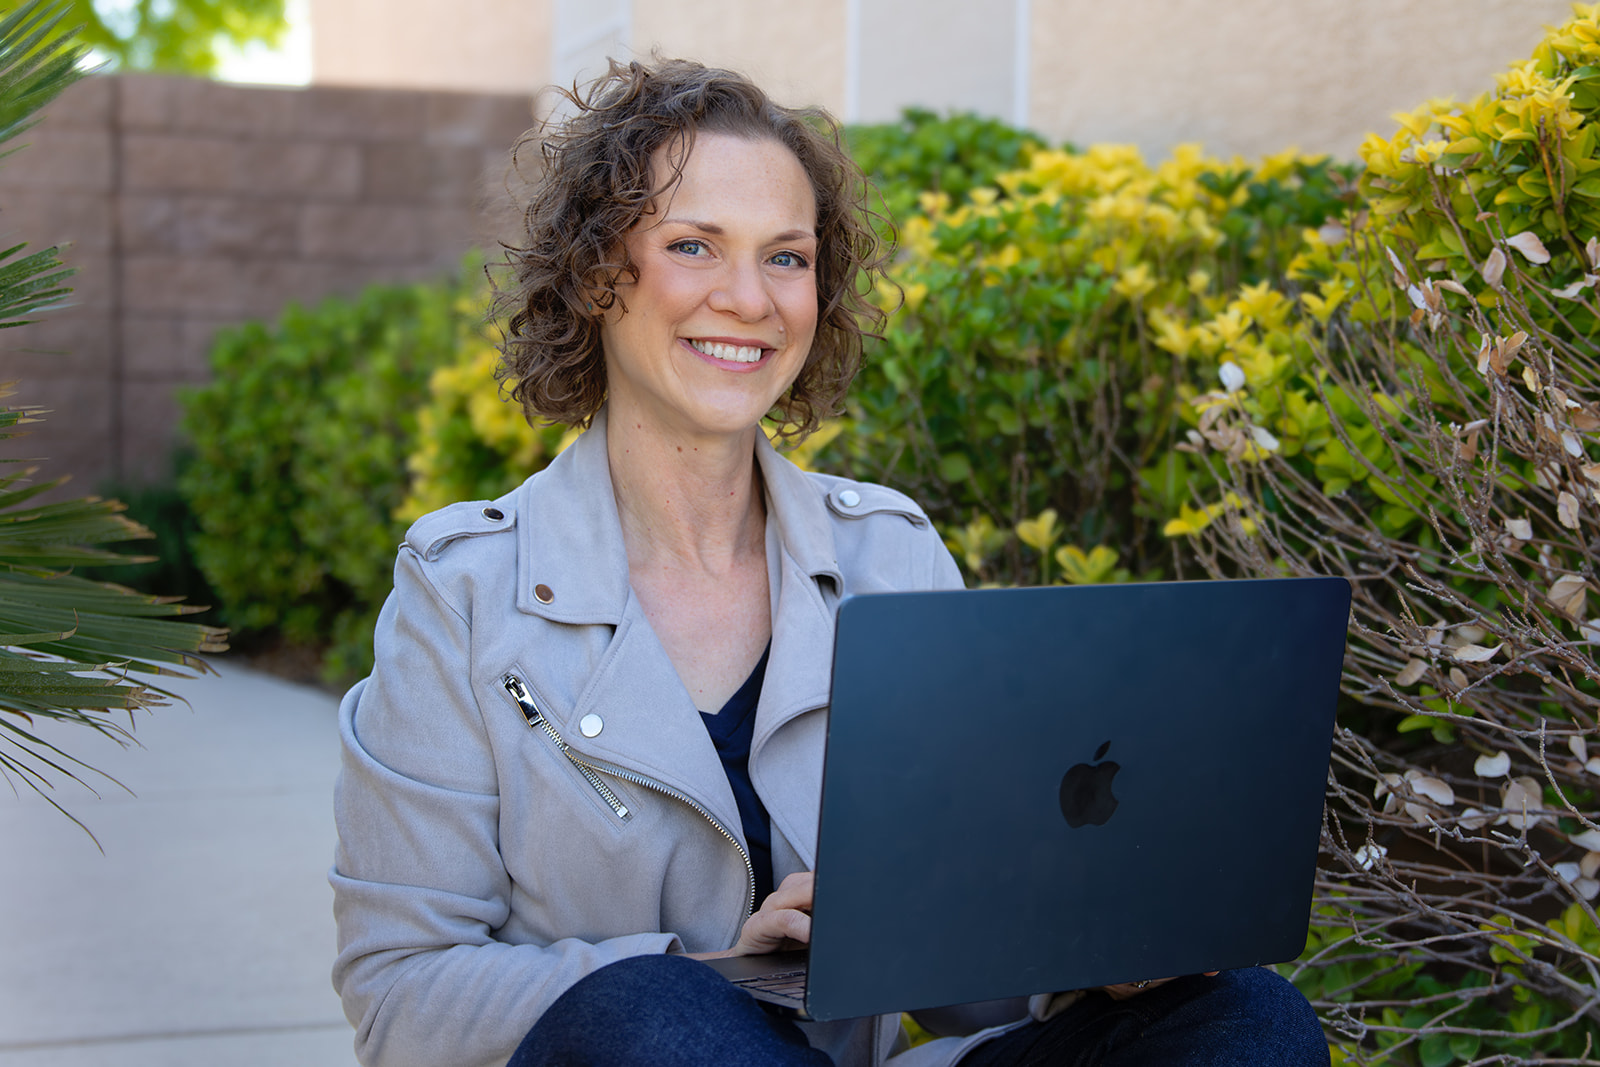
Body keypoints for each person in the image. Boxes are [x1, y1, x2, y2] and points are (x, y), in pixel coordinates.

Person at [329, 57, 1331, 1067]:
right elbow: (402, 997)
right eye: (692, 245)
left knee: (1248, 1017)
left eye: (786, 257)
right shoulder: (463, 589)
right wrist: (710, 971)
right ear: (597, 275)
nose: (748, 299)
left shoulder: (889, 554)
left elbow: (977, 991)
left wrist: (1101, 948)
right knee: (654, 1017)